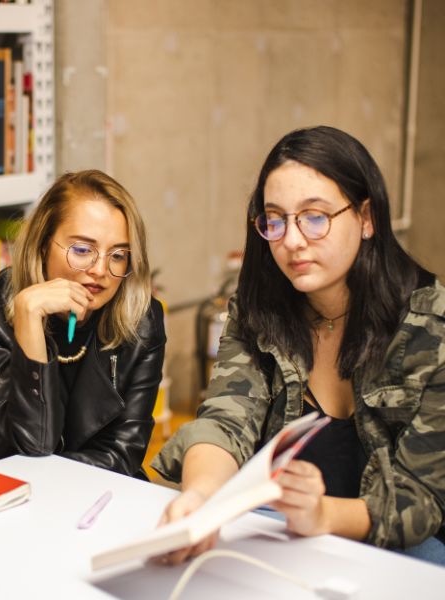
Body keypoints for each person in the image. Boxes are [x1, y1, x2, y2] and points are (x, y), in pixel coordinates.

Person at [153, 125, 445, 564]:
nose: (291, 240)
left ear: (367, 219)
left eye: (314, 216)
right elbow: (225, 421)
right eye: (275, 219)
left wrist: (322, 513)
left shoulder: (431, 327)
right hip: (285, 534)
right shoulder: (258, 311)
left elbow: (420, 499)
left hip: (398, 547)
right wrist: (200, 497)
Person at [0, 170, 166, 477]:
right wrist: (28, 318)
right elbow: (34, 443)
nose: (100, 269)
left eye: (118, 255)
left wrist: (57, 477)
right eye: (82, 250)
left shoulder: (141, 319)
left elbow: (123, 455)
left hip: (95, 490)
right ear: (43, 244)